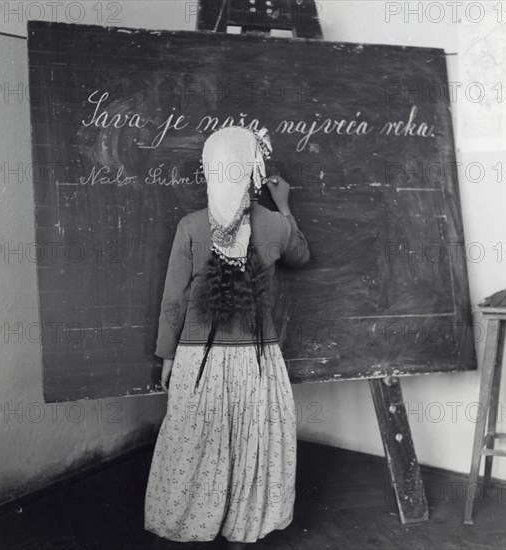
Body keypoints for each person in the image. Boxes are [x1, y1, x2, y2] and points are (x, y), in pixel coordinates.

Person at [144, 126, 310, 549]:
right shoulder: (273, 225)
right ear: (253, 170)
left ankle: (193, 523)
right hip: (257, 360)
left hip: (199, 362)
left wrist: (167, 358)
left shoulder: (191, 226)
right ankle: (243, 528)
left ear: (210, 170)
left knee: (197, 441)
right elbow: (302, 256)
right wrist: (285, 205)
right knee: (253, 439)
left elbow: (172, 300)